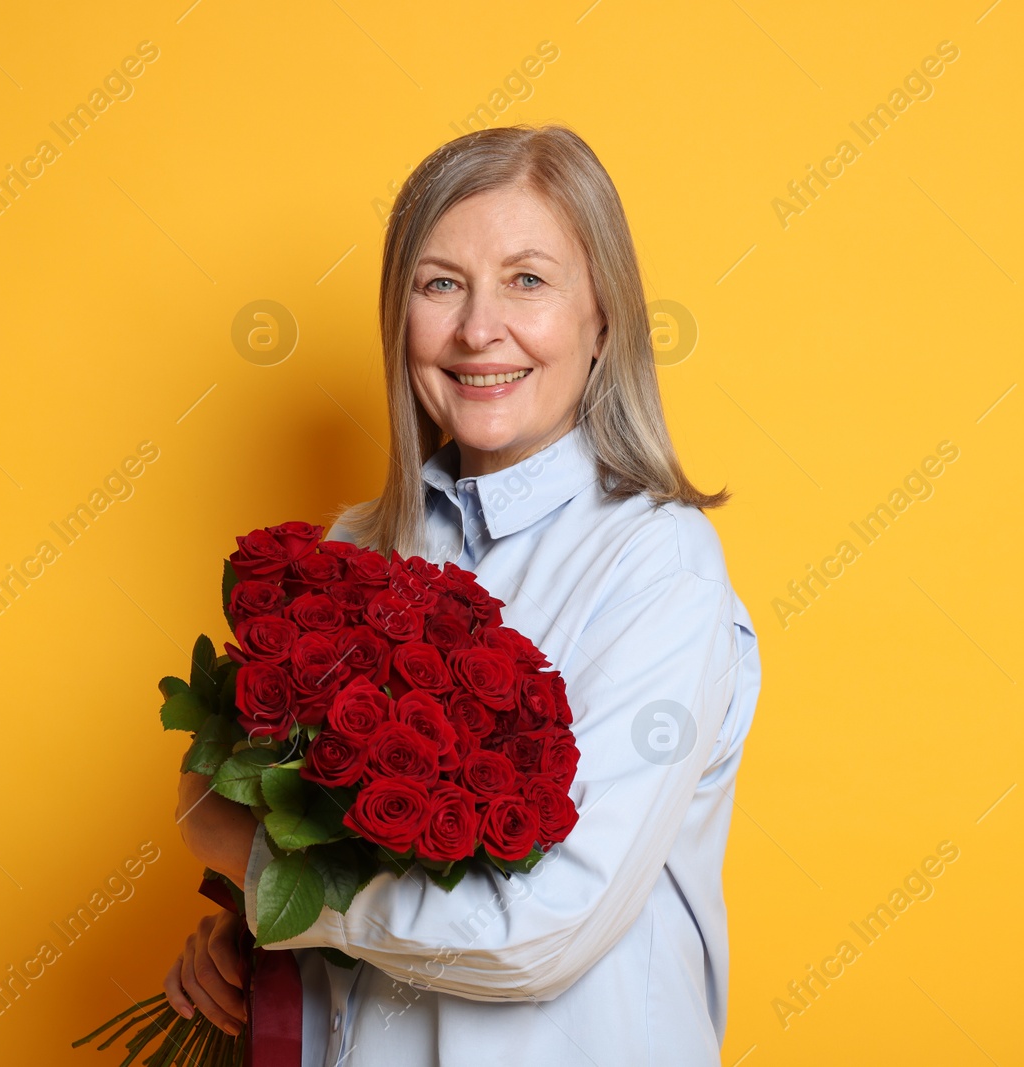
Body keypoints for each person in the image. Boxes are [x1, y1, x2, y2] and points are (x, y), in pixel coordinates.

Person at [164, 124, 761, 1065]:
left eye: (528, 280)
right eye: (440, 283)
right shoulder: (351, 547)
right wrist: (248, 945)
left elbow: (544, 928)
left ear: (603, 316)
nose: (479, 329)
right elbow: (326, 865)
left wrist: (261, 869)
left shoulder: (659, 568)